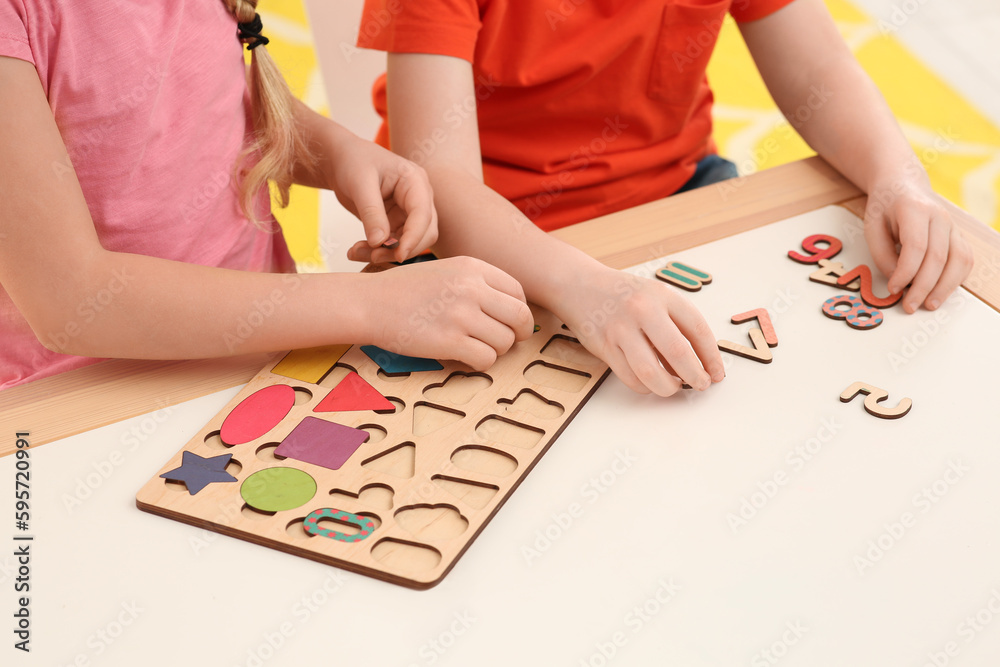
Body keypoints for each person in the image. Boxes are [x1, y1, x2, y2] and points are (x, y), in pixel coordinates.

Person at [356, 0, 976, 396]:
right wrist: (586, 288)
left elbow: (819, 71)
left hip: (681, 192)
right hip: (479, 238)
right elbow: (440, 180)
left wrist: (897, 177)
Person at [0, 0, 533, 390]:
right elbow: (69, 298)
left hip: (267, 358)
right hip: (79, 400)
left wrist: (339, 154)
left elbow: (208, 106)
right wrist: (374, 303)